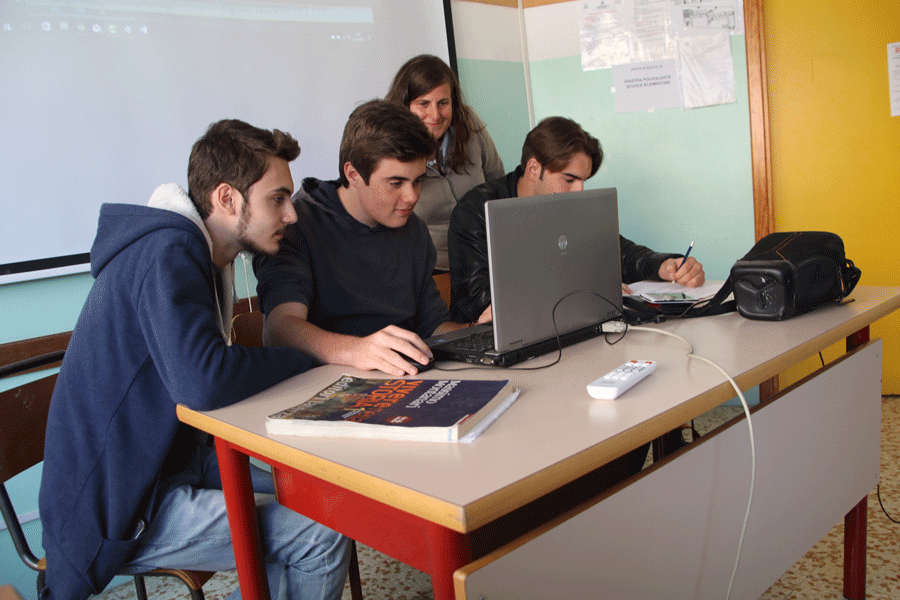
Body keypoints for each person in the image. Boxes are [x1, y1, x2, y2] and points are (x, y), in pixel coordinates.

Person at [38, 120, 351, 600]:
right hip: (121, 505)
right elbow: (203, 382)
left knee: (325, 487)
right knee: (321, 530)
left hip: (168, 465)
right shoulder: (169, 250)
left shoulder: (200, 255)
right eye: (277, 198)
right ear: (227, 199)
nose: (291, 215)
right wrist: (302, 357)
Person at [253, 100, 483, 378]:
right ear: (353, 174)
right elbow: (281, 329)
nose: (412, 197)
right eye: (396, 183)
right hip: (327, 386)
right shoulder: (295, 225)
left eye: (418, 181)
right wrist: (357, 350)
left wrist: (480, 330)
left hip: (405, 379)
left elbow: (432, 327)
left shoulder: (414, 231)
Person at [447, 116, 706, 324]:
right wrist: (587, 287)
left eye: (583, 181)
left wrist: (661, 265)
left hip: (563, 330)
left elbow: (613, 249)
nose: (579, 191)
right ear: (534, 168)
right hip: (489, 341)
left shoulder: (567, 203)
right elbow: (476, 298)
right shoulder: (476, 211)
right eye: (569, 180)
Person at [385, 54, 505, 271]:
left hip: (484, 259)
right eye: (423, 104)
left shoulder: (470, 125)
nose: (435, 114)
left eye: (443, 103)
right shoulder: (388, 149)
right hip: (427, 268)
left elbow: (499, 183)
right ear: (404, 106)